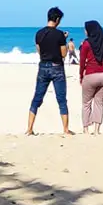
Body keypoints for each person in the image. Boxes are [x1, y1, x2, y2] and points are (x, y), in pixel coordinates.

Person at [27, 7, 72, 136]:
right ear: (57, 19)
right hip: (57, 66)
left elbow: (39, 51)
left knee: (37, 98)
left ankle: (29, 128)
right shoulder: (59, 34)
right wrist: (64, 41)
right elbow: (63, 54)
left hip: (43, 66)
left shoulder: (39, 34)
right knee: (61, 99)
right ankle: (65, 129)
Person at [79, 20, 103, 135]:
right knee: (99, 103)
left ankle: (86, 129)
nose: (84, 31)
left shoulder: (86, 44)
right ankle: (97, 130)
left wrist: (81, 75)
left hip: (91, 75)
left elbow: (82, 61)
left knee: (86, 103)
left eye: (85, 29)